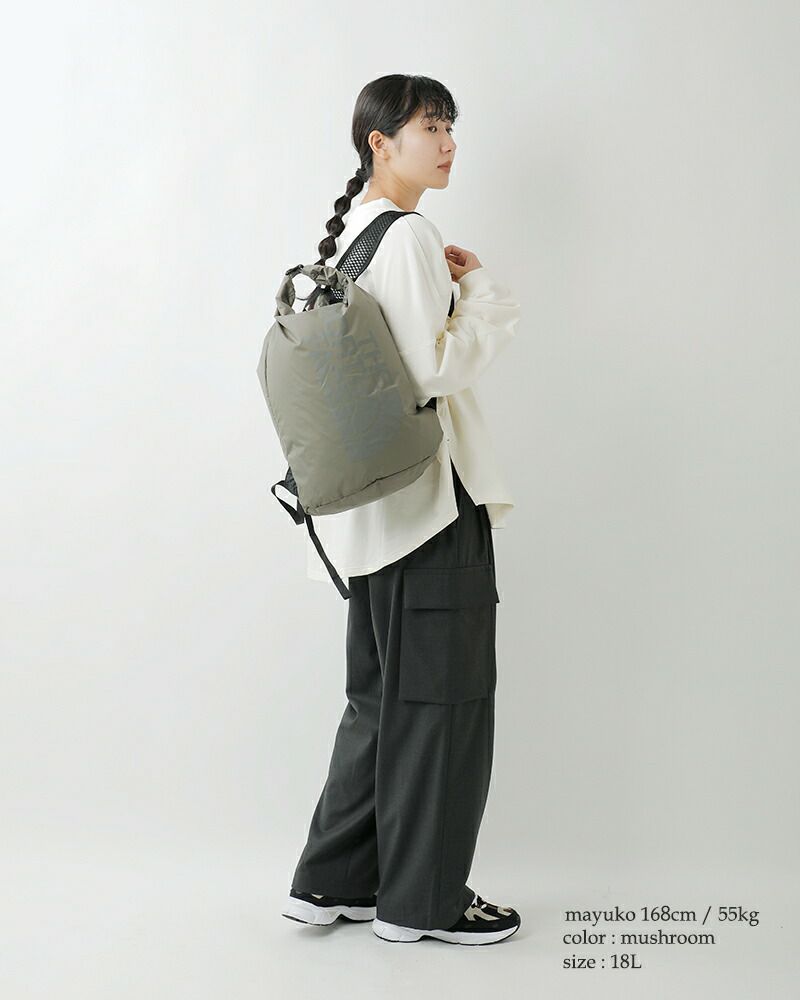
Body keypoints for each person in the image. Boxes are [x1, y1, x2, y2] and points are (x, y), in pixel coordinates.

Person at [281, 74, 522, 946]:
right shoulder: (410, 234)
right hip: (430, 508)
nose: (448, 142)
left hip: (370, 516)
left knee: (379, 703)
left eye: (452, 125)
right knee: (443, 706)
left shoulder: (350, 236)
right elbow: (433, 370)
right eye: (430, 126)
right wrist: (484, 293)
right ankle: (423, 903)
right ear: (379, 143)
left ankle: (332, 884)